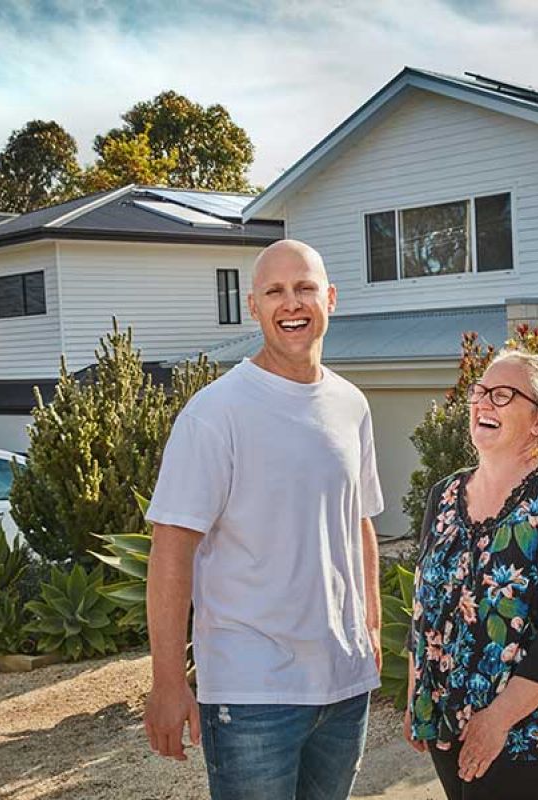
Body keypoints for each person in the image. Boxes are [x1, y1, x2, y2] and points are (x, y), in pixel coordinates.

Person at [143, 239, 385, 800]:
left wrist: (370, 627)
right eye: (274, 291)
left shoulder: (352, 404)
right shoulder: (215, 413)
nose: (291, 303)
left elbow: (361, 522)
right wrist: (167, 681)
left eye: (304, 287)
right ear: (252, 306)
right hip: (252, 693)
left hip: (345, 684)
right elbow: (172, 548)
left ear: (331, 298)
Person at [403, 350, 538, 800]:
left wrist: (496, 720)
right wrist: (417, 691)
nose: (483, 403)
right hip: (447, 714)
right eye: (479, 392)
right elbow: (427, 602)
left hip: (524, 729)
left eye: (502, 395)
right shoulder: (445, 493)